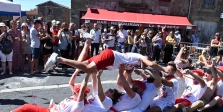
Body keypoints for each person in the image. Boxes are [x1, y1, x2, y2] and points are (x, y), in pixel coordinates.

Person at [50, 64, 143, 112]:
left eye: (111, 90)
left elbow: (102, 93)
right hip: (80, 107)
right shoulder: (123, 94)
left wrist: (120, 71)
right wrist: (94, 70)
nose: (134, 86)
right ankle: (54, 111)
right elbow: (96, 85)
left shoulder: (136, 97)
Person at [85, 68, 162, 112]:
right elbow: (129, 83)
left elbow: (127, 87)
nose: (134, 85)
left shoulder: (155, 85)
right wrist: (131, 73)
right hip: (126, 102)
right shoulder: (145, 81)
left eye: (155, 72)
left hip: (138, 107)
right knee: (117, 89)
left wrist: (146, 69)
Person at [44, 43, 172, 74]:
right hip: (110, 56)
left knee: (81, 65)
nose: (147, 65)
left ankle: (87, 43)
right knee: (88, 69)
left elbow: (125, 76)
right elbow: (151, 63)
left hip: (110, 57)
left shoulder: (134, 63)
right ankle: (59, 59)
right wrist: (163, 68)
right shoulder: (141, 57)